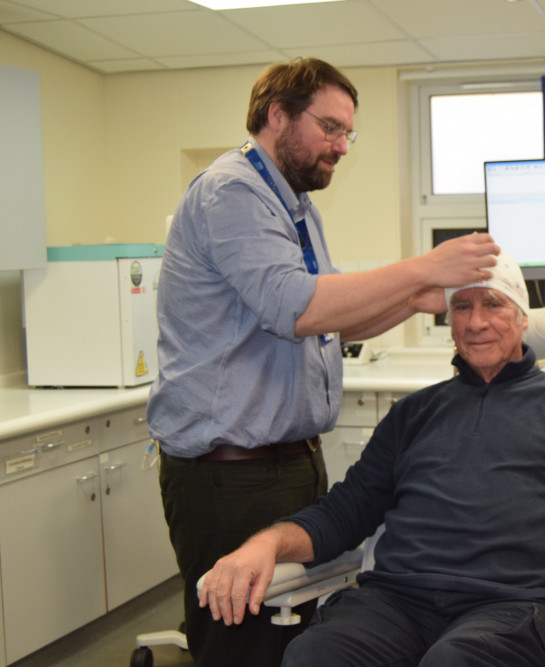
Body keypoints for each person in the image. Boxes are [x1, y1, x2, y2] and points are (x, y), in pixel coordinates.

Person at [147, 57, 499, 667]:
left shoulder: (296, 208)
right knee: (242, 646)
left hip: (287, 466)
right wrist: (423, 267)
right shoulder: (232, 191)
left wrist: (419, 300)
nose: (340, 147)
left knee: (293, 638)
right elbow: (294, 307)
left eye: (347, 134)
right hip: (229, 475)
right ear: (276, 114)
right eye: (330, 128)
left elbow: (334, 318)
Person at [198, 252, 545, 667]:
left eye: (493, 304)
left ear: (522, 317)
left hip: (512, 608)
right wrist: (264, 545)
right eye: (461, 307)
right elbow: (344, 512)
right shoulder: (414, 413)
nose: (475, 321)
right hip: (396, 602)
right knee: (312, 655)